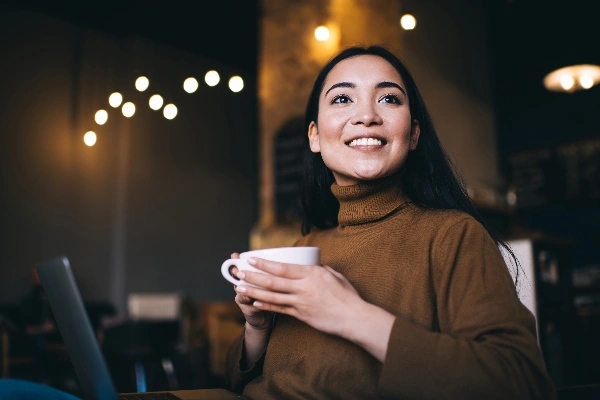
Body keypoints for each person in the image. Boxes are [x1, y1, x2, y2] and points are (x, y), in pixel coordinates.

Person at [225, 45, 555, 399]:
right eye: (341, 99)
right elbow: (235, 384)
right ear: (315, 137)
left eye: (388, 99)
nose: (366, 116)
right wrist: (256, 327)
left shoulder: (452, 236)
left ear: (413, 135)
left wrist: (351, 315)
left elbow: (523, 383)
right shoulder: (304, 248)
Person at [19, 266, 57, 383]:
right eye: (36, 276)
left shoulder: (57, 299)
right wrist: (42, 328)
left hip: (56, 334)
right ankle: (43, 379)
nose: (38, 279)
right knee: (38, 341)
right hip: (36, 334)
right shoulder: (28, 301)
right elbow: (26, 328)